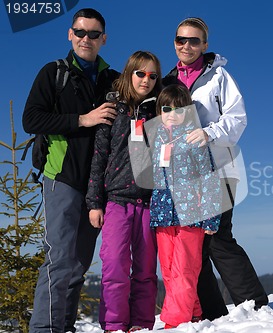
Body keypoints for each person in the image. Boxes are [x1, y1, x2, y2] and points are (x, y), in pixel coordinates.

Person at [162, 17, 269, 320]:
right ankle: (211, 313)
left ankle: (254, 304)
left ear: (205, 45)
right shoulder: (167, 82)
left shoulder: (218, 77)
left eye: (194, 41)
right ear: (174, 42)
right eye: (181, 40)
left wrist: (209, 133)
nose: (187, 46)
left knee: (217, 237)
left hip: (220, 167)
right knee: (195, 243)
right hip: (184, 175)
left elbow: (238, 118)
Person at [22, 8, 119, 333]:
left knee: (78, 264)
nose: (85, 39)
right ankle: (43, 329)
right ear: (69, 34)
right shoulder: (54, 73)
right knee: (60, 258)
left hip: (97, 186)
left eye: (93, 34)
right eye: (80, 32)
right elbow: (31, 119)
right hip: (61, 177)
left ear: (103, 39)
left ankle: (63, 326)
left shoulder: (112, 79)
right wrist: (82, 119)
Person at [85, 51, 162, 332]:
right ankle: (115, 325)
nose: (146, 80)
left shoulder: (159, 111)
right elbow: (99, 156)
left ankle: (141, 324)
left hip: (149, 202)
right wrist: (95, 202)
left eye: (153, 75)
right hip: (116, 200)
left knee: (144, 271)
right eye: (140, 73)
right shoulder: (113, 107)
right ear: (129, 73)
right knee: (115, 266)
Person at [149, 84, 221, 328]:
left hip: (191, 215)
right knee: (169, 269)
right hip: (163, 214)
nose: (172, 114)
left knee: (184, 269)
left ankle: (174, 322)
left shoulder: (194, 138)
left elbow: (209, 180)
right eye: (166, 108)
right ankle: (193, 314)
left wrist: (211, 218)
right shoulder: (156, 140)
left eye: (178, 109)